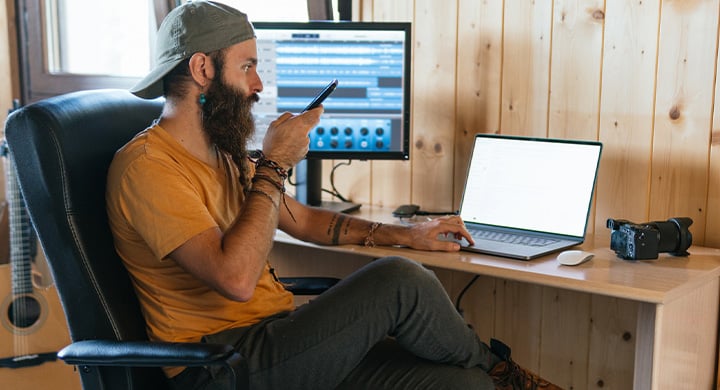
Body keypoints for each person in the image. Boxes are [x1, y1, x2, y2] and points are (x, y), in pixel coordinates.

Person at [107, 1, 561, 389]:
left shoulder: (221, 151)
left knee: (463, 384)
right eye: (247, 66)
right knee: (399, 281)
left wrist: (407, 233)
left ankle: (494, 374)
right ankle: (506, 372)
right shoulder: (147, 167)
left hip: (276, 339)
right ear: (202, 68)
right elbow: (236, 279)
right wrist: (275, 164)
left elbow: (302, 220)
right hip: (221, 366)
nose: (258, 85)